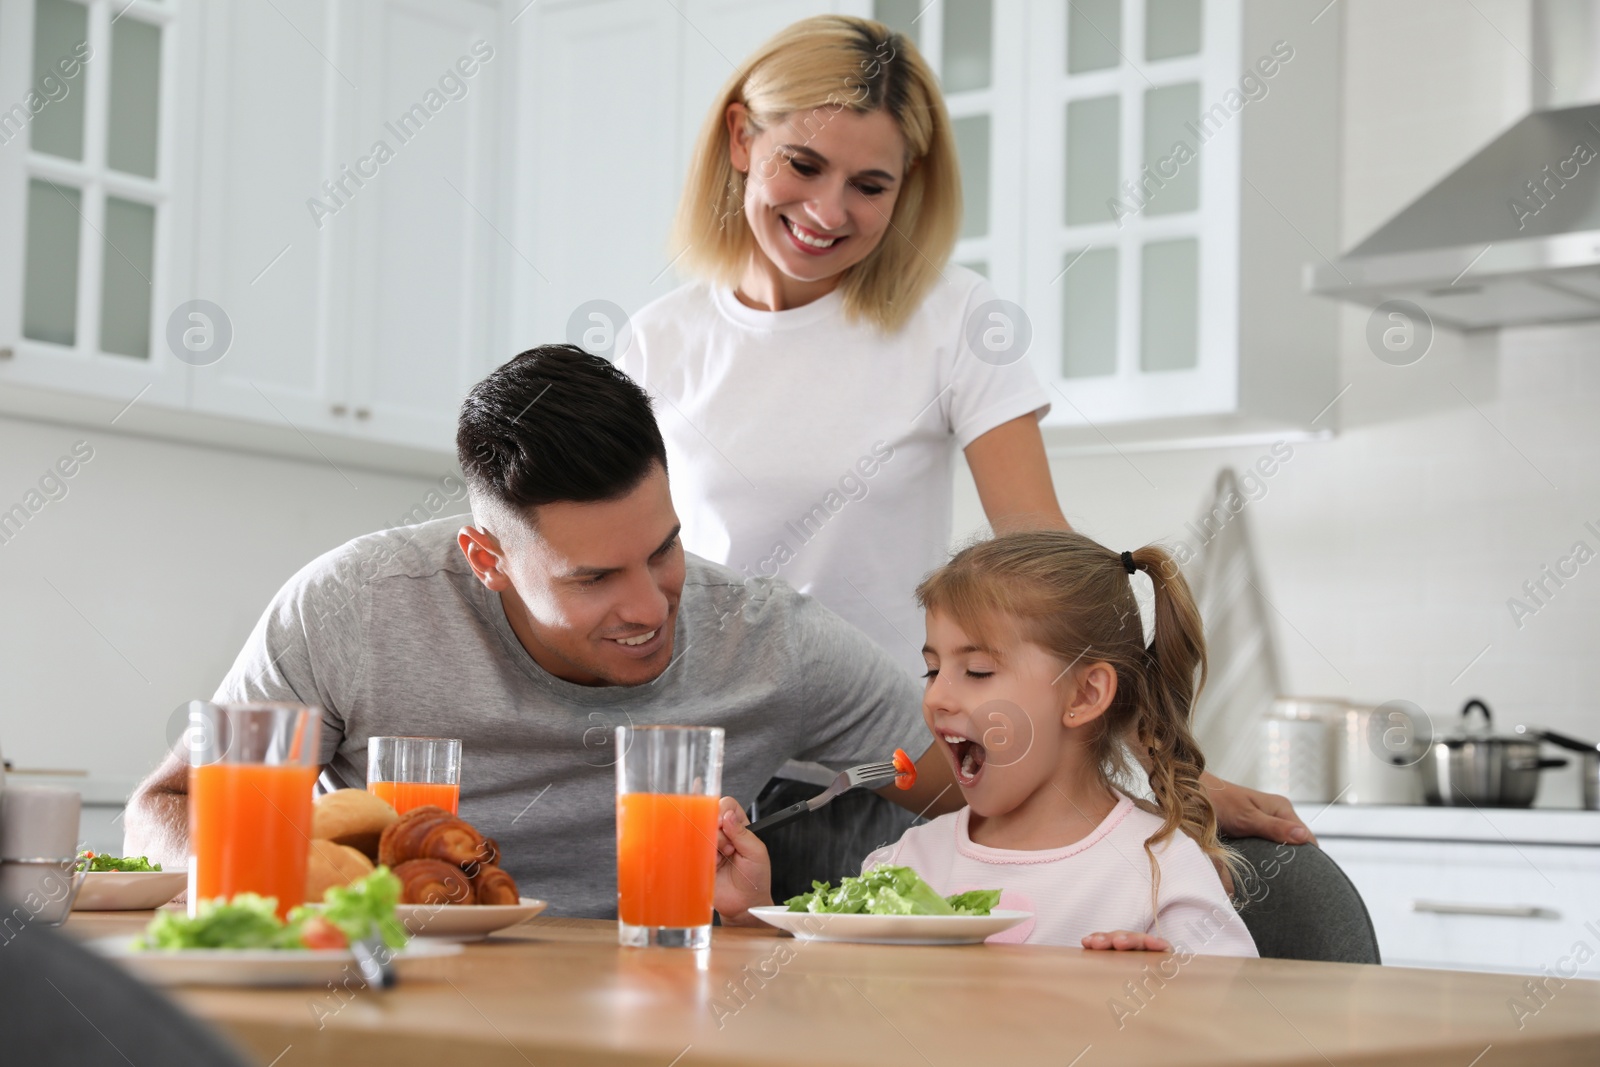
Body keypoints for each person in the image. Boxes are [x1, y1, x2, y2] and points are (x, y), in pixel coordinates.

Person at [622, 13, 1311, 852]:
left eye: (870, 186)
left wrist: (1162, 767)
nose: (828, 210)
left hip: (894, 777)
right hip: (709, 784)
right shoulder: (657, 340)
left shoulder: (953, 320)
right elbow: (637, 575)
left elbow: (1047, 566)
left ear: (906, 186)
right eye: (803, 165)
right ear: (741, 136)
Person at [124, 345, 955, 917]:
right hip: (403, 1001)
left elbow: (980, 785)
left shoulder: (772, 639)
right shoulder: (351, 607)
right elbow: (165, 804)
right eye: (592, 578)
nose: (651, 605)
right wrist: (265, 878)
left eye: (664, 549)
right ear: (488, 558)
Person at [712, 529, 1258, 956]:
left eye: (976, 671)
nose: (937, 698)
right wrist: (750, 914)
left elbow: (1240, 1025)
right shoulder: (904, 865)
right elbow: (824, 1006)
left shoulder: (1162, 871)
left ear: (1085, 694)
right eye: (931, 671)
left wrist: (1162, 992)